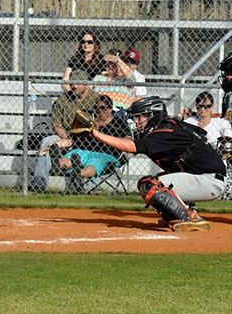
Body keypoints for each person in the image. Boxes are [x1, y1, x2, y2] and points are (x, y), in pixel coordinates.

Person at [88, 96, 225, 231]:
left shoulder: (164, 133)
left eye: (140, 117)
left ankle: (190, 217)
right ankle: (176, 215)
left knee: (151, 185)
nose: (137, 121)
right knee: (155, 180)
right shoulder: (168, 127)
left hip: (208, 180)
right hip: (204, 177)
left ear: (152, 116)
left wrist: (96, 134)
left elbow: (130, 147)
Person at [31, 69, 99, 192]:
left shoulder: (96, 100)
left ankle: (90, 186)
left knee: (94, 146)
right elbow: (57, 125)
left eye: (77, 83)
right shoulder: (62, 100)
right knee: (47, 141)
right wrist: (66, 138)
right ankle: (39, 183)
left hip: (88, 138)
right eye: (72, 83)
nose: (74, 86)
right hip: (66, 137)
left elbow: (100, 122)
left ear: (86, 84)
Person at [56, 95, 132, 193]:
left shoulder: (118, 123)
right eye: (96, 108)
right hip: (83, 150)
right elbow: (72, 140)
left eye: (102, 108)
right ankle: (59, 163)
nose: (99, 111)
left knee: (95, 162)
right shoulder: (88, 123)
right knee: (74, 155)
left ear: (109, 109)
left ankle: (78, 173)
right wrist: (55, 145)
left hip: (106, 155)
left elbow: (128, 140)